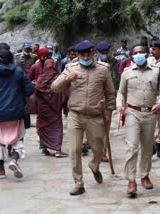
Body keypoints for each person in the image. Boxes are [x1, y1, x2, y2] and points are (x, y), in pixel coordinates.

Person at [51, 40, 115, 196]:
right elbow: (54, 88)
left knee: (99, 149)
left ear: (94, 53)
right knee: (75, 150)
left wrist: (108, 112)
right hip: (75, 115)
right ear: (77, 55)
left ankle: (94, 165)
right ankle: (78, 183)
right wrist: (67, 79)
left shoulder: (103, 70)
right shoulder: (70, 69)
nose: (86, 57)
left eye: (89, 54)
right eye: (83, 54)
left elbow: (110, 94)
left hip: (95, 115)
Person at [115, 44, 160, 198]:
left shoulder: (157, 72)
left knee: (146, 147)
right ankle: (131, 181)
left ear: (147, 54)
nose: (139, 55)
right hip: (132, 112)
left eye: (141, 52)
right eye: (135, 53)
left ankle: (144, 175)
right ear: (131, 56)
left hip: (150, 113)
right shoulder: (126, 73)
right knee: (131, 146)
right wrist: (119, 105)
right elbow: (121, 92)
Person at [0, 49, 35, 179]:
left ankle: (1, 170)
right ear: (11, 59)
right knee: (17, 138)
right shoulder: (18, 71)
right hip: (16, 112)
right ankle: (14, 160)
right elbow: (30, 90)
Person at [35, 58, 68, 158]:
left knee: (43, 128)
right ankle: (57, 150)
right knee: (56, 128)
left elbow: (36, 91)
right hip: (55, 110)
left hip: (43, 110)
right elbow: (64, 93)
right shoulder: (58, 79)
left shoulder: (41, 79)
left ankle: (44, 148)